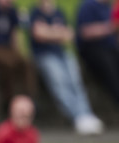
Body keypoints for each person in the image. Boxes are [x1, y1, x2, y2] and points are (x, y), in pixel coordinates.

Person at [29, 0, 103, 135]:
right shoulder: (35, 13)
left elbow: (69, 34)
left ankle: (86, 114)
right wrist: (57, 33)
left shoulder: (59, 12)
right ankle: (77, 117)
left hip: (62, 53)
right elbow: (38, 34)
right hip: (45, 55)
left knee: (76, 83)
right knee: (60, 83)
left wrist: (49, 32)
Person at [0, 0, 37, 112]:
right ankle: (9, 102)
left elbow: (14, 32)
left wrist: (18, 52)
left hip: (8, 48)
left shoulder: (12, 10)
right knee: (7, 65)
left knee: (26, 63)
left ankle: (28, 100)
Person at [75, 0, 119, 104]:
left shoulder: (108, 7)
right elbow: (84, 32)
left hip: (110, 49)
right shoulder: (88, 5)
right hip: (94, 50)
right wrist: (111, 27)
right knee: (112, 75)